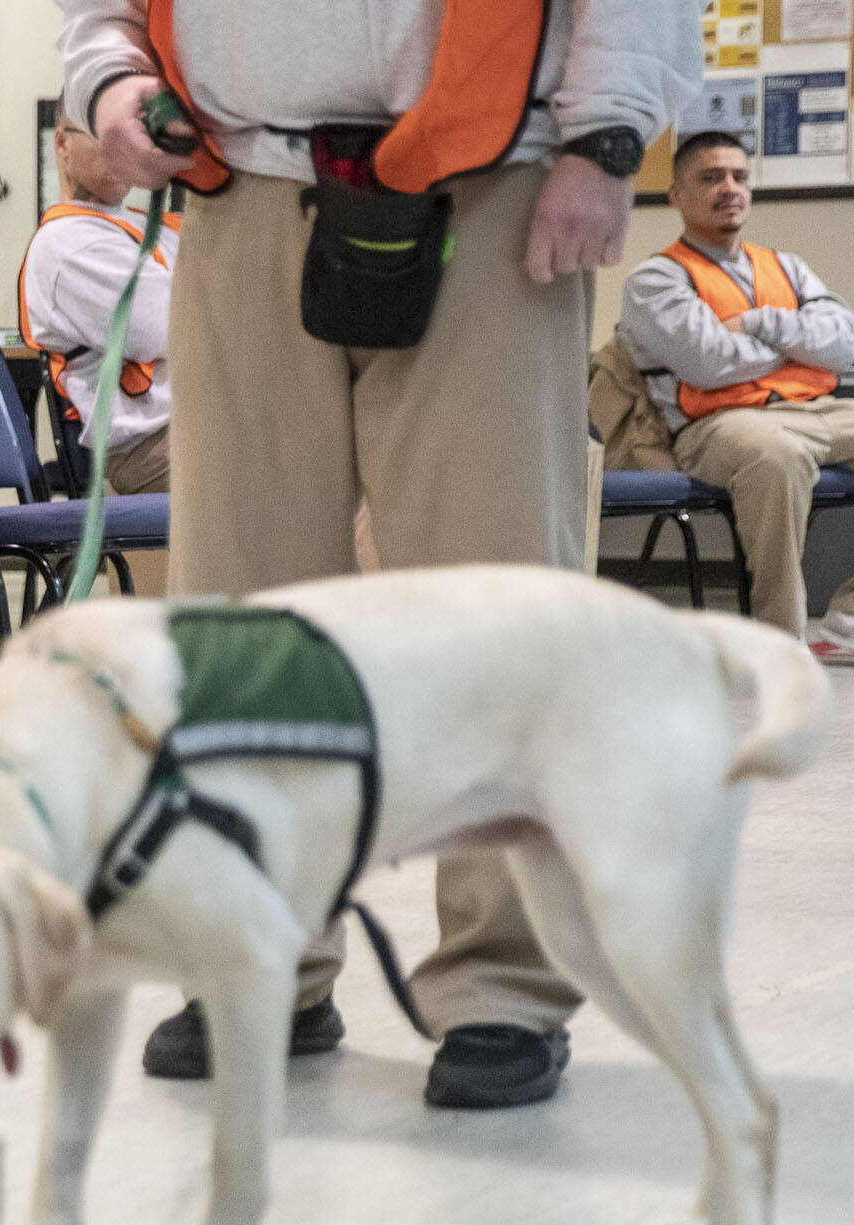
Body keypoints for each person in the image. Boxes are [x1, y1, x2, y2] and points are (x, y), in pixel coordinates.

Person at [60, 0, 700, 1108]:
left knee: (498, 610)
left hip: (493, 179)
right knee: (238, 619)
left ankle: (503, 984)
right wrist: (107, 82)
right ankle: (256, 962)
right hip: (237, 184)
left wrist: (606, 139)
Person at [618, 130, 854, 659]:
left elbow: (845, 347)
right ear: (676, 194)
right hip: (719, 424)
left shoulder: (786, 267)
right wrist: (796, 344)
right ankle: (779, 639)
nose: (729, 188)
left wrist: (755, 322)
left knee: (788, 440)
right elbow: (709, 364)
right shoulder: (656, 279)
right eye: (710, 178)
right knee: (775, 457)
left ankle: (847, 620)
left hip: (817, 409)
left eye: (739, 176)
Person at [18, 116, 177, 495]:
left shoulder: (156, 226)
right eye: (103, 134)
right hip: (154, 446)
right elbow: (173, 327)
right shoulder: (65, 243)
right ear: (62, 143)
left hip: (206, 423)